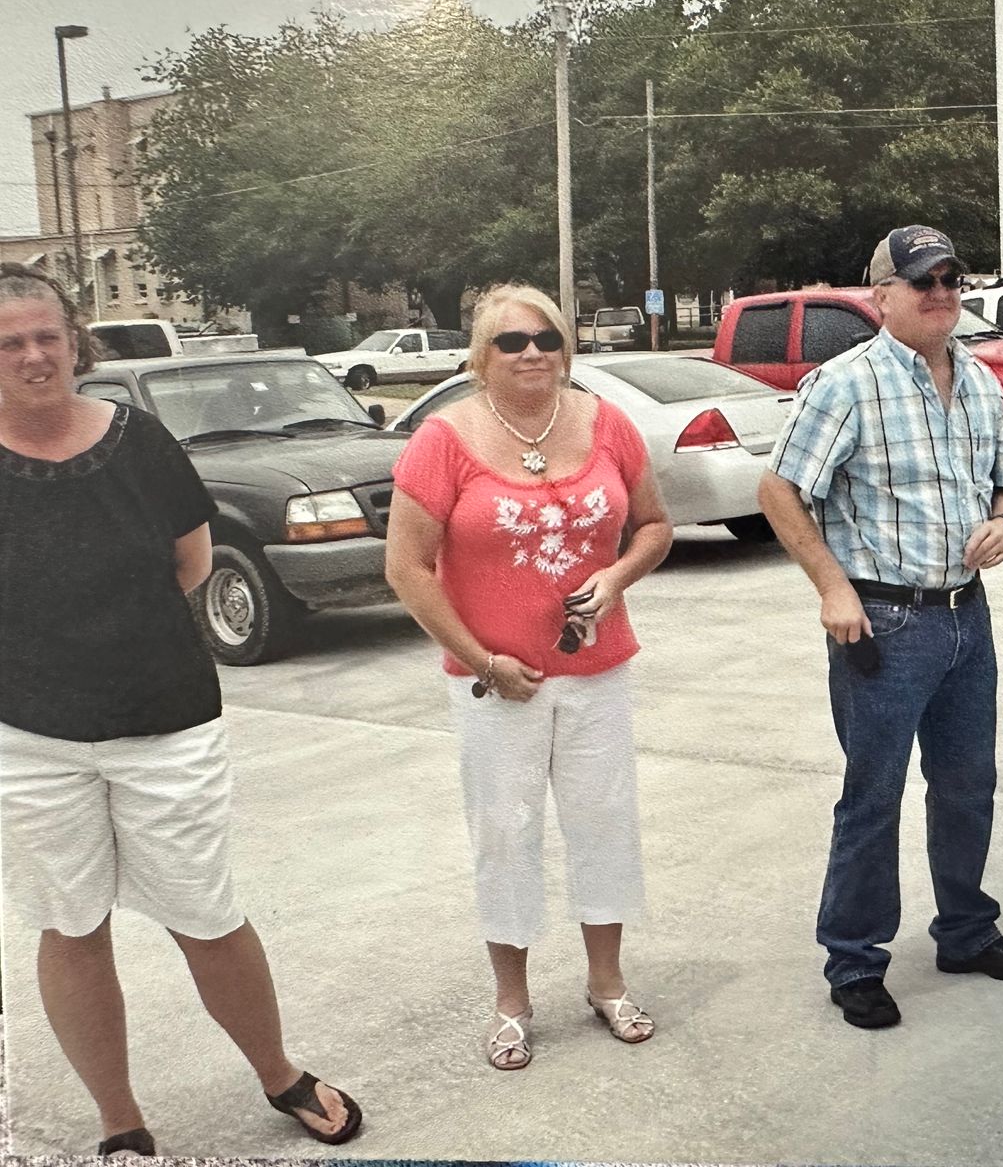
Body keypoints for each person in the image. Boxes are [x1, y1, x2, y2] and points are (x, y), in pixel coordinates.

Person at [0, 263, 361, 1155]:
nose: (33, 355)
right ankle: (121, 1123)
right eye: (9, 343)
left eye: (46, 335)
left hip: (166, 722)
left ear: (74, 341)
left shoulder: (141, 442)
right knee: (72, 923)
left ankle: (279, 1073)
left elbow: (190, 565)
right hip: (29, 736)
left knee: (206, 913)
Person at [758, 224, 1003, 1030]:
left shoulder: (982, 383)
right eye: (923, 281)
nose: (942, 293)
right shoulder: (844, 384)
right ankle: (854, 961)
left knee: (966, 787)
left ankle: (966, 932)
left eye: (952, 279)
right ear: (880, 295)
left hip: (966, 618)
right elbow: (780, 492)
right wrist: (832, 587)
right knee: (873, 797)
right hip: (882, 624)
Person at [385, 283, 673, 1068]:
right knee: (505, 835)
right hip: (495, 682)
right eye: (512, 341)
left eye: (546, 337)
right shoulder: (444, 440)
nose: (533, 352)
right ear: (482, 356)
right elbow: (408, 569)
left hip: (596, 669)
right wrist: (482, 659)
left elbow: (653, 525)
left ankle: (607, 984)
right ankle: (512, 1002)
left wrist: (615, 580)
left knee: (604, 822)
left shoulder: (605, 422)